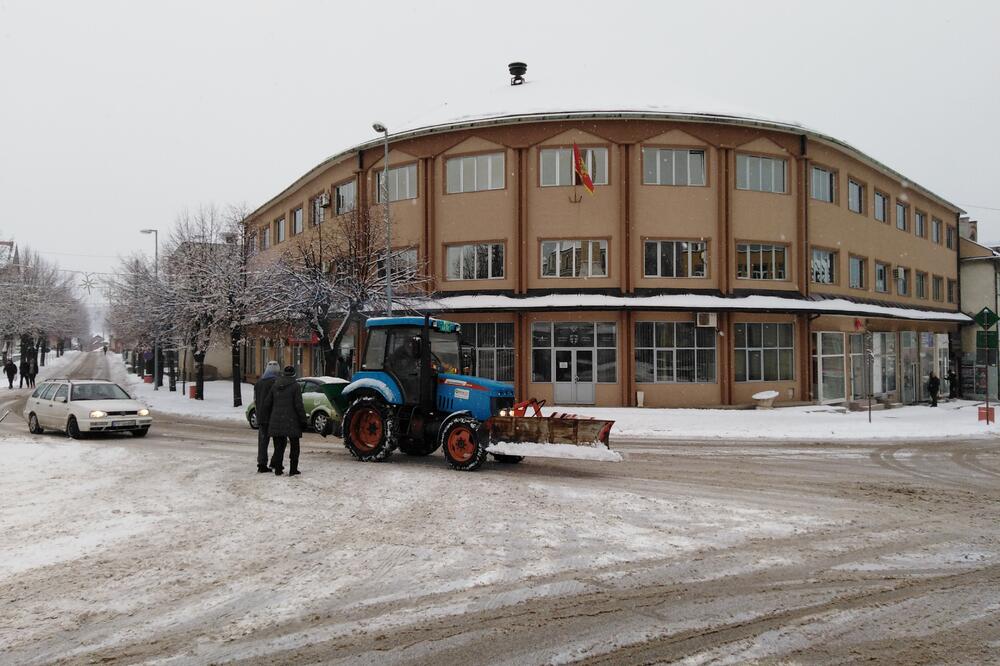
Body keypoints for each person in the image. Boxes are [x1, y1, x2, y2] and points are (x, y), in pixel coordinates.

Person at [261, 365, 307, 476]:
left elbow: (267, 403)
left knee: (278, 447)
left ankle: (278, 469)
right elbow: (298, 405)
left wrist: (269, 417)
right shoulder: (295, 386)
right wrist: (303, 420)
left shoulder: (275, 385)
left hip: (276, 420)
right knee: (294, 446)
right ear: (294, 374)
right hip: (292, 421)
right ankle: (293, 469)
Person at [253, 360, 281, 473]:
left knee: (263, 442)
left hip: (261, 416)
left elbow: (255, 400)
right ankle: (275, 461)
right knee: (279, 441)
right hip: (274, 416)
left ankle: (261, 464)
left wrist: (258, 412)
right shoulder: (277, 382)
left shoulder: (258, 383)